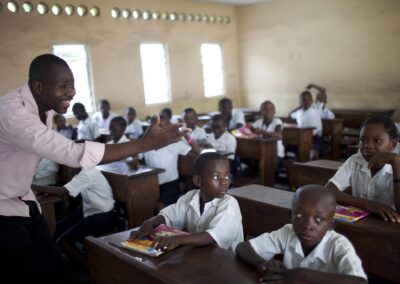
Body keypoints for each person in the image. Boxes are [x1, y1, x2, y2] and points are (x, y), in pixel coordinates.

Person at [0, 54, 187, 283]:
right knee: (31, 273)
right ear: (38, 86)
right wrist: (144, 144)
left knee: (54, 268)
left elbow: (63, 148)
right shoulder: (14, 114)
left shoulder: (43, 107)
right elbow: (73, 154)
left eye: (73, 84)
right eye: (64, 85)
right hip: (3, 207)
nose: (72, 92)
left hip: (22, 199)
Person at [236, 185, 367, 284]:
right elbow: (243, 247)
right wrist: (262, 264)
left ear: (331, 225)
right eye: (299, 215)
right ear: (290, 216)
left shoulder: (338, 244)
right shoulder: (288, 232)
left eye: (319, 219)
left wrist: (304, 275)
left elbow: (360, 282)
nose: (307, 225)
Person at [129, 152, 243, 252]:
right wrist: (149, 223)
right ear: (198, 180)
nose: (224, 182)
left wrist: (178, 240)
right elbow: (170, 215)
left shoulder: (230, 205)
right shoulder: (190, 197)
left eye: (227, 177)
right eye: (216, 177)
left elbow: (212, 236)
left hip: (226, 261)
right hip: (200, 254)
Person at [326, 115, 400, 223]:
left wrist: (396, 162)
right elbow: (328, 191)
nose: (368, 146)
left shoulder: (397, 162)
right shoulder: (355, 160)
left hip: (391, 227)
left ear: (392, 144)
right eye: (363, 140)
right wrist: (369, 205)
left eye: (377, 140)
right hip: (361, 224)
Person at [33, 167, 116, 257]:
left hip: (103, 216)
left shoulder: (88, 173)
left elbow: (62, 191)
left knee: (63, 241)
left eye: (70, 164)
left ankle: (83, 264)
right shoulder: (82, 172)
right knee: (57, 227)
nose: (68, 168)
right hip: (89, 211)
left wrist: (33, 187)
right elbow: (67, 190)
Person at [142, 115, 191, 206]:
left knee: (159, 207)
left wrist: (189, 138)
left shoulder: (173, 142)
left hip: (169, 184)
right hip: (151, 184)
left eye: (164, 128)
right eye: (158, 127)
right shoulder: (146, 142)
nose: (161, 131)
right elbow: (138, 157)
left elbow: (193, 153)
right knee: (143, 204)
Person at [289, 90, 323, 160]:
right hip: (301, 137)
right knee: (290, 147)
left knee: (312, 154)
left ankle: (312, 167)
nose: (306, 102)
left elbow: (322, 92)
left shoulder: (316, 109)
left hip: (315, 138)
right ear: (300, 101)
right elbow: (290, 115)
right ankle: (298, 165)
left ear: (312, 100)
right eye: (303, 100)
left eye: (308, 99)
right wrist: (299, 107)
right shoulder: (299, 112)